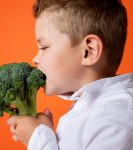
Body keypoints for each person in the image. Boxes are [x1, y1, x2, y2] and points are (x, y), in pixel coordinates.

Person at [7, 0, 133, 149]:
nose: (35, 59)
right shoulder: (93, 108)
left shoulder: (115, 119)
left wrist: (37, 139)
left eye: (44, 47)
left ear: (88, 51)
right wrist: (44, 133)